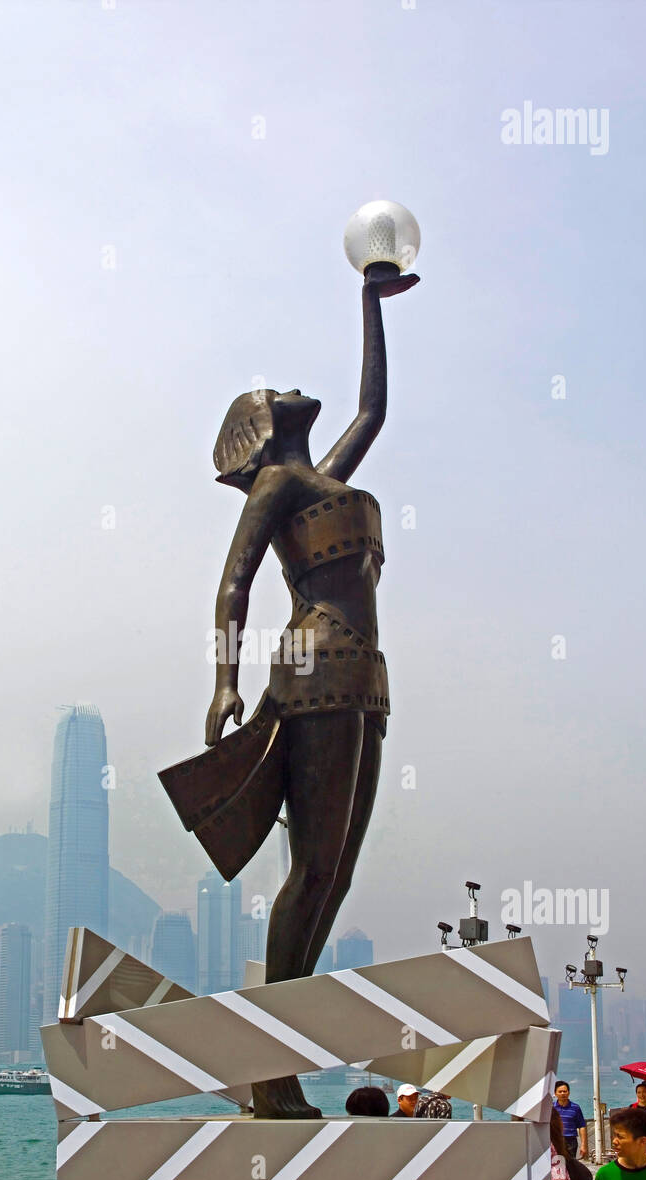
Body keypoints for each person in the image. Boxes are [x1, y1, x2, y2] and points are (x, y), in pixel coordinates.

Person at [158, 258, 420, 1118]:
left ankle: (277, 1057)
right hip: (312, 669)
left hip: (364, 680)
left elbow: (375, 406)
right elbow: (234, 584)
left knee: (335, 874)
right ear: (265, 426)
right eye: (276, 388)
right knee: (310, 869)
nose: (291, 386)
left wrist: (370, 303)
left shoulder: (331, 473)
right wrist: (224, 680)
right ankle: (269, 1068)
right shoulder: (278, 484)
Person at [553, 1081, 587, 1160]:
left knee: (571, 1166)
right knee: (556, 1166)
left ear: (569, 1093)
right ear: (555, 1093)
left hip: (571, 1142)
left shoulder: (575, 1107)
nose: (562, 1093)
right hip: (555, 1140)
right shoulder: (551, 1108)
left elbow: (582, 1126)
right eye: (560, 1091)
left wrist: (583, 1145)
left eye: (565, 1091)